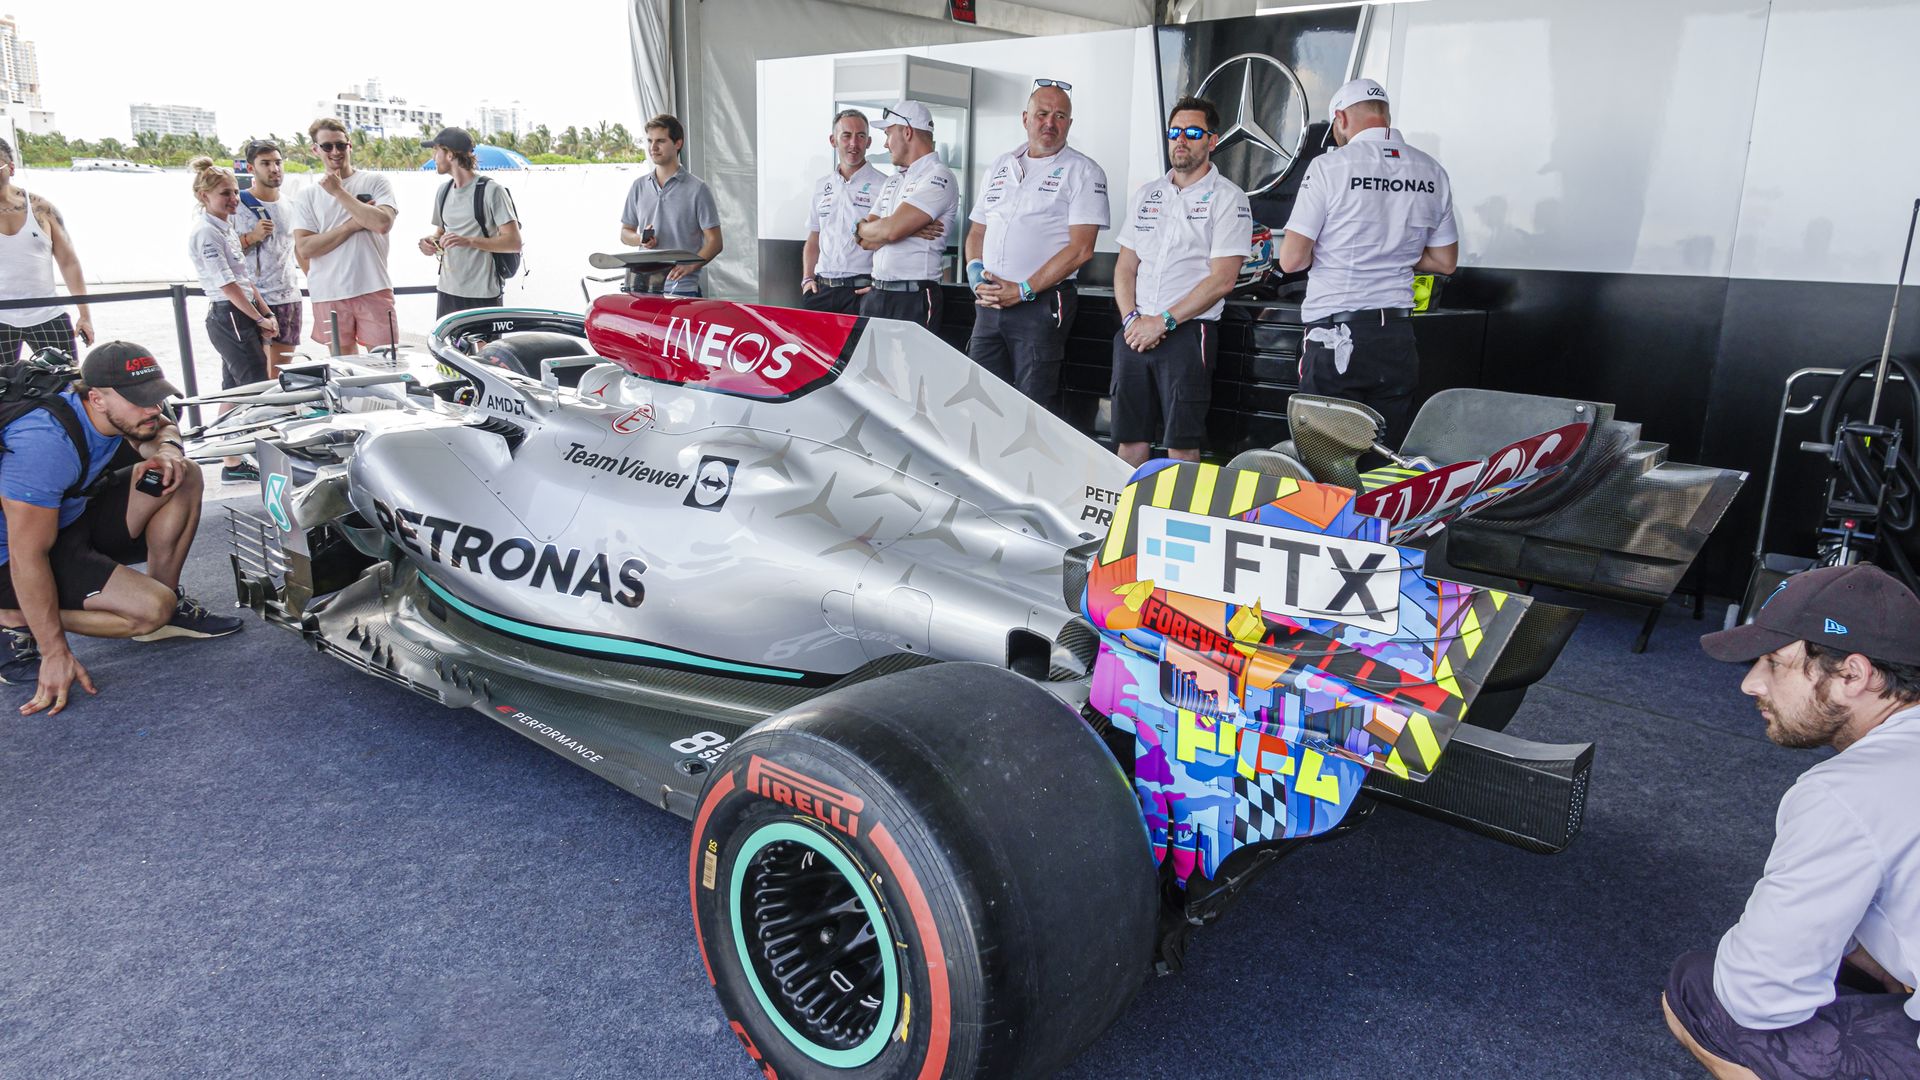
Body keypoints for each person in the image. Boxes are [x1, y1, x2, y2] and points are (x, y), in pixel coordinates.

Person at [1664, 563, 1920, 1079]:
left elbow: (1757, 996)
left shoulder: (1846, 793)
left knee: (1696, 990)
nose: (1750, 684)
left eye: (1774, 663)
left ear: (1852, 675)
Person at [0, 341, 242, 714]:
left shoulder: (120, 412)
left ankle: (166, 604)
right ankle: (13, 616)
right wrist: (54, 650)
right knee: (148, 610)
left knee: (182, 475)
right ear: (96, 399)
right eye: (138, 400)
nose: (152, 408)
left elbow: (163, 426)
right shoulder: (44, 445)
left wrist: (169, 452)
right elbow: (27, 555)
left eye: (154, 396)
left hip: (71, 517)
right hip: (14, 556)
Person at [1278, 78, 1457, 445]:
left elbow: (1292, 259)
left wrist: (1341, 247)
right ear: (1385, 116)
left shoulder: (1330, 166)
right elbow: (1445, 261)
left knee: (1324, 463)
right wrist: (1396, 251)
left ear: (1341, 118)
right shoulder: (1432, 170)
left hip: (1336, 336)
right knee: (1383, 462)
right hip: (1396, 337)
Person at [1111, 96, 1252, 467]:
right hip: (1133, 332)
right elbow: (1125, 268)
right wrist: (1132, 321)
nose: (1181, 140)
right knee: (1129, 442)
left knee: (1182, 446)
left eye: (1192, 132)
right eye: (1175, 132)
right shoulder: (1147, 195)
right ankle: (1129, 521)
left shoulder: (1229, 199)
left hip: (1188, 335)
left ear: (1212, 140)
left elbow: (1222, 280)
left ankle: (1175, 523)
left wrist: (1163, 321)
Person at [966, 79, 1109, 414]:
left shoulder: (1085, 171)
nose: (1050, 123)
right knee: (979, 400)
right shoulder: (1001, 164)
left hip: (1041, 304)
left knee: (1031, 408)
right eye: (1042, 113)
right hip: (990, 303)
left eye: (1060, 116)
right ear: (1025, 118)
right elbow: (977, 231)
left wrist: (1025, 289)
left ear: (1069, 124)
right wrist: (975, 274)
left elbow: (1081, 249)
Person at [186, 157, 276, 483]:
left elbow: (244, 279)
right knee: (255, 392)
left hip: (240, 313)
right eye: (226, 193)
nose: (234, 199)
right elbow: (226, 286)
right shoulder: (206, 234)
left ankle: (232, 461)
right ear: (203, 196)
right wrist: (258, 317)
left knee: (234, 391)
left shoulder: (225, 228)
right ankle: (255, 456)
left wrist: (265, 313)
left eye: (235, 192)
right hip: (230, 315)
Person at [288, 118, 398, 353]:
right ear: (315, 150)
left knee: (386, 366)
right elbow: (305, 248)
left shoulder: (375, 180)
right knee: (344, 370)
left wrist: (339, 192)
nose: (335, 151)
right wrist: (352, 226)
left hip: (373, 285)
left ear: (349, 145)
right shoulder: (307, 195)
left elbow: (381, 223)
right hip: (329, 292)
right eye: (327, 146)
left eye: (340, 145)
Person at [855, 101, 957, 333]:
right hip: (877, 293)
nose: (885, 143)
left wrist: (885, 228)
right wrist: (897, 228)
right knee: (869, 370)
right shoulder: (893, 180)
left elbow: (889, 230)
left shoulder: (939, 176)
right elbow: (864, 242)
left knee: (912, 370)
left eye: (888, 133)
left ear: (907, 132)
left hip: (914, 297)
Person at [0, 136, 92, 360]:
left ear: (11, 168)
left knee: (66, 385)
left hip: (48, 312)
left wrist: (84, 315)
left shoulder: (42, 209)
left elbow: (68, 262)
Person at [619, 114, 721, 297]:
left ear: (678, 143)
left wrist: (691, 266)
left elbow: (715, 242)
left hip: (682, 289)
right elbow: (625, 232)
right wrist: (640, 238)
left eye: (660, 141)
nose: (653, 147)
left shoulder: (698, 190)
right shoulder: (638, 186)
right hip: (642, 288)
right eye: (650, 141)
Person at [800, 109, 885, 315]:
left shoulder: (884, 185)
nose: (853, 144)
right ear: (833, 140)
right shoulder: (822, 185)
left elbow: (890, 237)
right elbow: (814, 237)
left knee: (859, 349)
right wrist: (807, 278)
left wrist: (879, 284)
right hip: (821, 289)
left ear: (869, 142)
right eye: (846, 135)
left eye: (861, 136)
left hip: (861, 290)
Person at [232, 139, 302, 377]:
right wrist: (251, 237)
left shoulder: (292, 204)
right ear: (251, 168)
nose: (274, 169)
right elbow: (221, 255)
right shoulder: (236, 204)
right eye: (265, 163)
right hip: (254, 301)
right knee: (255, 379)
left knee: (282, 376)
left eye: (278, 162)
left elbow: (299, 249)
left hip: (289, 296)